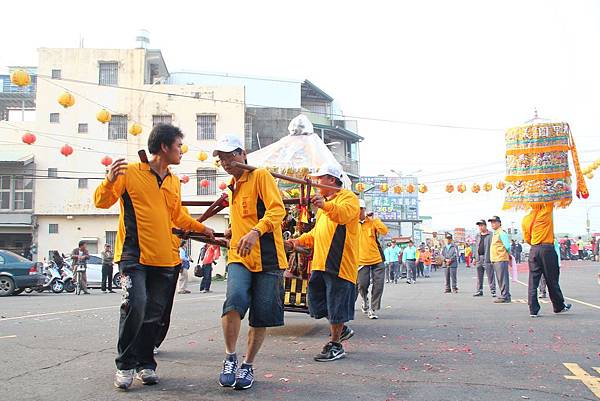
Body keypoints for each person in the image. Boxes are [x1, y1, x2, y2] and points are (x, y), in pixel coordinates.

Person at [94, 123, 214, 390]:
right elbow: (101, 202)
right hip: (133, 255)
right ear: (164, 147)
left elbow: (176, 216)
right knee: (135, 305)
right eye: (178, 146)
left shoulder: (172, 180)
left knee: (155, 315)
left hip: (165, 258)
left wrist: (203, 228)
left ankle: (145, 363)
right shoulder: (130, 172)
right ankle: (125, 365)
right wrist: (109, 180)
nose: (181, 151)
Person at [214, 135, 288, 390]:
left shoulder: (260, 176)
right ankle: (230, 356)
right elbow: (242, 219)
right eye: (221, 158)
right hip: (240, 256)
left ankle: (247, 365)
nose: (225, 161)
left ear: (242, 153)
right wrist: (232, 230)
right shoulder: (232, 187)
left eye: (229, 155)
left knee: (261, 316)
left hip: (269, 258)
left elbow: (277, 210)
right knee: (233, 302)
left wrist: (256, 231)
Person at [288, 162, 360, 363]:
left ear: (332, 179)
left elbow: (343, 214)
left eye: (320, 178)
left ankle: (336, 344)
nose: (317, 182)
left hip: (338, 263)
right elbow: (316, 233)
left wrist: (324, 204)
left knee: (336, 305)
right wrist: (297, 241)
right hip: (320, 263)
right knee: (317, 303)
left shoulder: (349, 198)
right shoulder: (323, 208)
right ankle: (341, 328)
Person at [522, 205, 572, 317]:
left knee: (533, 280)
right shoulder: (546, 211)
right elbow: (551, 199)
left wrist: (535, 243)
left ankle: (533, 309)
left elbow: (527, 238)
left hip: (534, 249)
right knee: (552, 279)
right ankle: (558, 306)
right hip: (547, 249)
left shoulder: (526, 219)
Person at [357, 200, 388, 319]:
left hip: (377, 259)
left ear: (364, 210)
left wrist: (375, 219)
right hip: (361, 260)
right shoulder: (351, 223)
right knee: (362, 285)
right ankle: (365, 300)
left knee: (379, 285)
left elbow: (384, 231)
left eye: (361, 209)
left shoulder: (372, 222)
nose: (359, 211)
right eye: (357, 209)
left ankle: (373, 308)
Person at [488, 216, 512, 304]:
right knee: (500, 278)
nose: (492, 224)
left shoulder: (501, 232)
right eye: (491, 222)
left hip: (501, 258)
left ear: (499, 223)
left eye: (494, 222)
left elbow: (508, 246)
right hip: (496, 258)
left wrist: (508, 254)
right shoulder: (495, 233)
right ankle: (505, 294)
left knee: (502, 278)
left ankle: (505, 296)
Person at [473, 219, 496, 297]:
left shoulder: (491, 235)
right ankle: (479, 290)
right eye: (479, 226)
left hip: (488, 258)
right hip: (479, 258)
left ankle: (493, 291)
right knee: (479, 276)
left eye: (482, 225)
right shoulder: (477, 236)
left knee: (490, 275)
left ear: (485, 226)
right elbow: (475, 247)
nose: (480, 227)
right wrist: (474, 258)